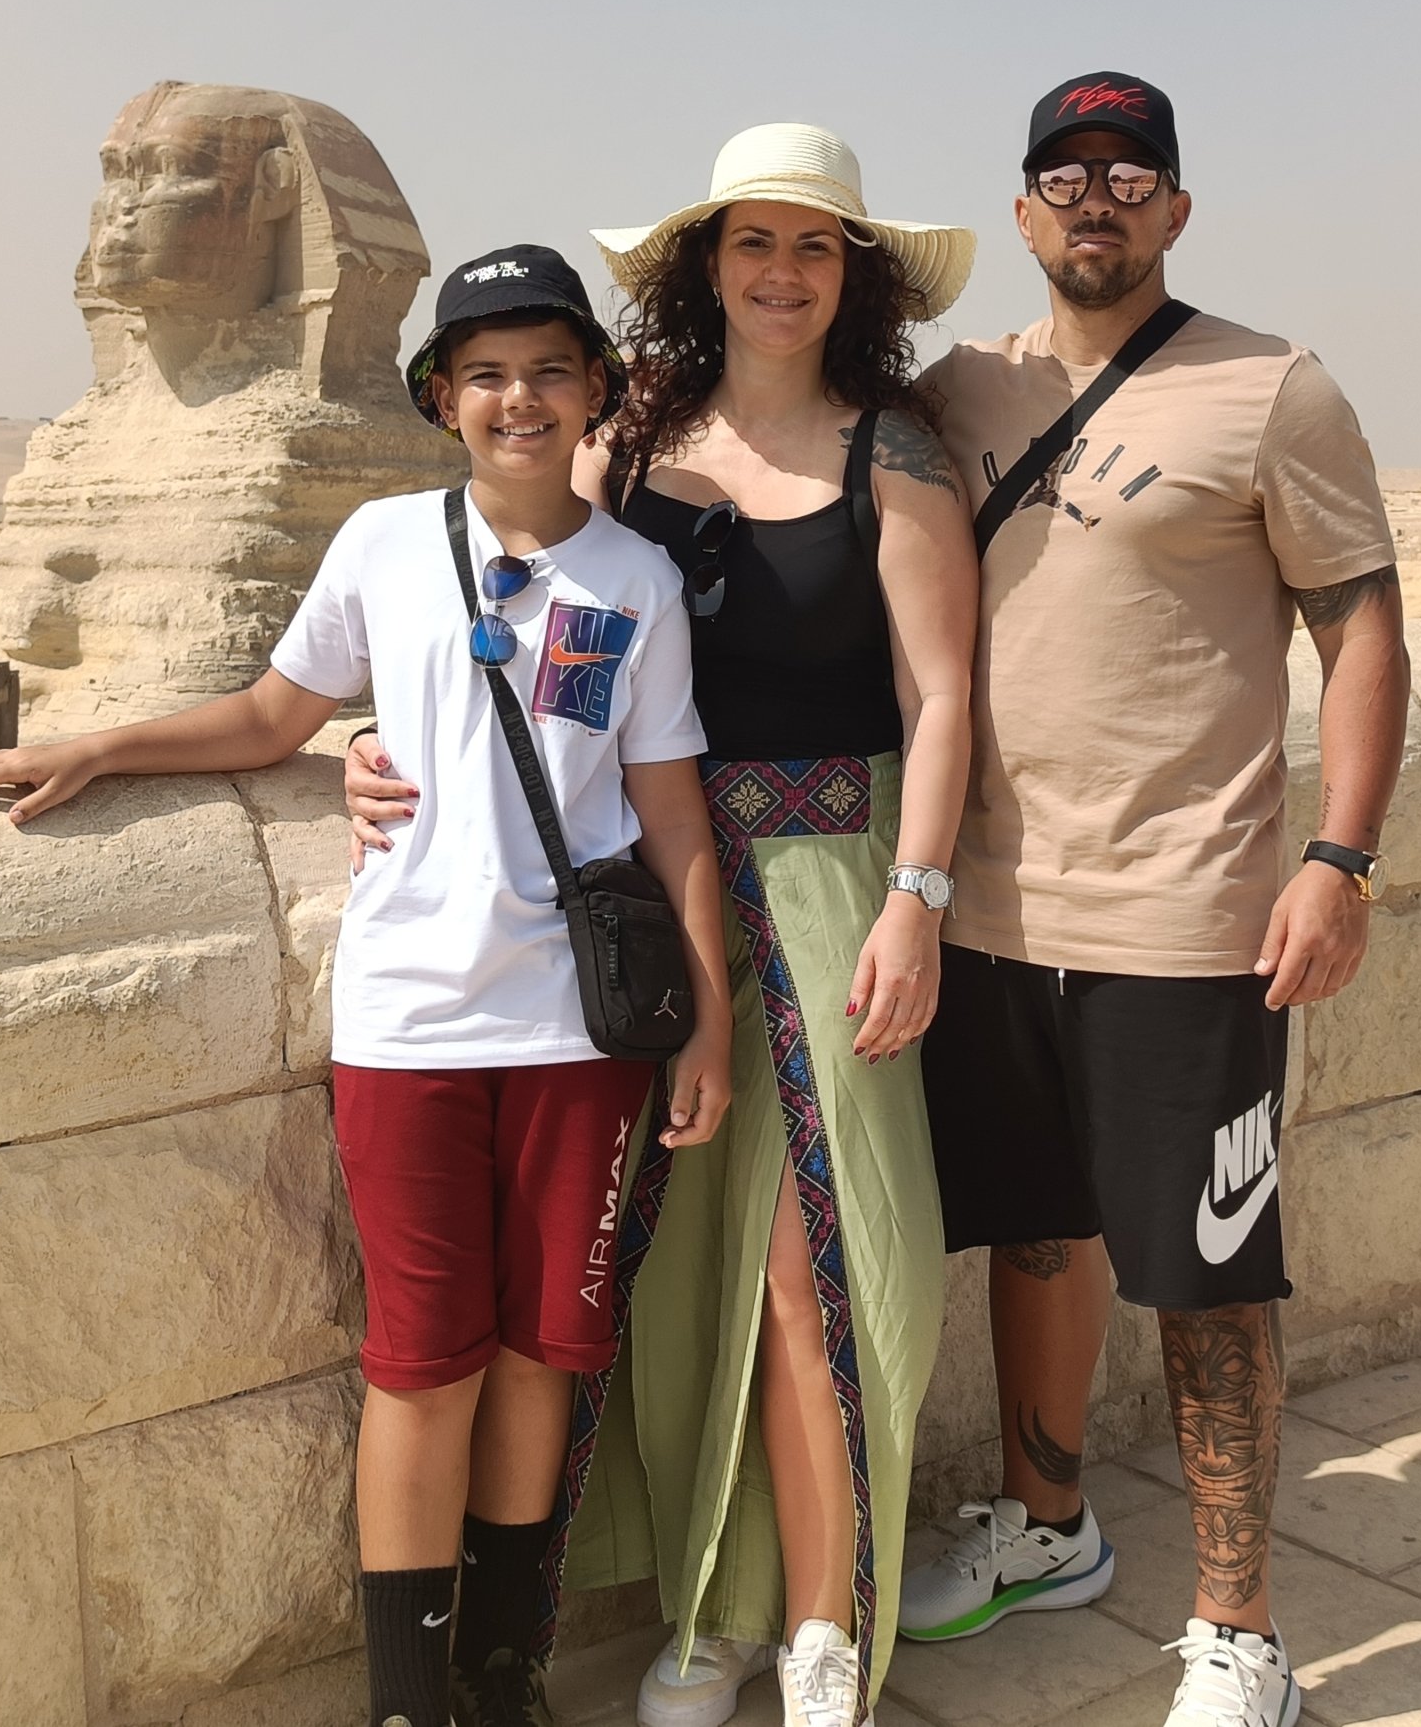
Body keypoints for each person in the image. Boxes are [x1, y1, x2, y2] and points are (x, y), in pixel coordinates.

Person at [0, 245, 737, 1727]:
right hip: (409, 1023)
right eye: (485, 374)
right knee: (423, 1364)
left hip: (580, 1031)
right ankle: (405, 1699)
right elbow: (270, 715)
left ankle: (501, 1669)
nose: (518, 399)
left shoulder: (637, 580)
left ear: (597, 392)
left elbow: (672, 811)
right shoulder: (382, 542)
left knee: (539, 1354)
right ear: (441, 396)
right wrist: (99, 747)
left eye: (549, 370)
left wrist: (711, 1023)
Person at [349, 126, 979, 1727]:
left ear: (856, 275)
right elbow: (506, 614)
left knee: (815, 1267)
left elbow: (942, 696)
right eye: (752, 240)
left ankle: (821, 1617)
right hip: (660, 917)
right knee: (683, 1276)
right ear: (708, 265)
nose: (782, 271)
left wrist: (917, 898)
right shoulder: (630, 448)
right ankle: (717, 1605)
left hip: (836, 889)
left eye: (815, 244)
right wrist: (359, 744)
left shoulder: (895, 458)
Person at [897, 75, 1410, 1727]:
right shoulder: (959, 389)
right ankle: (1048, 1528)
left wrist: (1340, 857)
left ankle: (1242, 1628)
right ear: (1023, 209)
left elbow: (1363, 628)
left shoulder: (1272, 387)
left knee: (1210, 1278)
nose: (1097, 200)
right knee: (1034, 1232)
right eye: (1066, 174)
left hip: (1188, 926)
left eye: (1131, 174)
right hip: (987, 918)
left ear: (1177, 208)